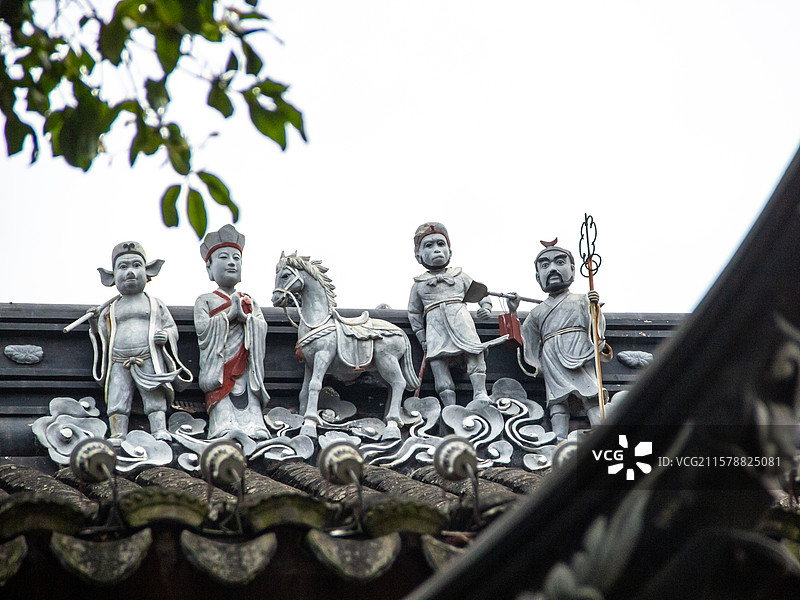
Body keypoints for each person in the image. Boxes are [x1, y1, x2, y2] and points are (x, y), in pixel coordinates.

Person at [90, 242, 192, 444]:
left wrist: (165, 335)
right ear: (111, 277)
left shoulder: (154, 304)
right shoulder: (110, 308)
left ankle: (159, 429)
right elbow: (100, 334)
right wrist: (94, 320)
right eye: (123, 267)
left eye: (136, 265)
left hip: (148, 356)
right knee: (117, 397)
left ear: (148, 272)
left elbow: (171, 328)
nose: (130, 272)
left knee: (154, 397)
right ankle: (118, 433)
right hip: (119, 359)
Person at [507, 240, 607, 441]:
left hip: (577, 351)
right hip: (551, 357)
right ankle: (558, 438)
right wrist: (513, 310)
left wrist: (593, 308)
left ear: (572, 270)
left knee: (590, 394)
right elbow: (525, 338)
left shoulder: (581, 299)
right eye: (544, 266)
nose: (552, 268)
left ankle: (602, 431)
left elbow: (595, 325)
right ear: (538, 277)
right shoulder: (537, 312)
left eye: (559, 262)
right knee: (556, 401)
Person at [408, 222, 506, 408]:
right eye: (429, 245)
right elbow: (414, 314)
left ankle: (480, 392)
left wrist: (486, 307)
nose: (437, 250)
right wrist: (422, 338)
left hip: (461, 321)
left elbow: (482, 293)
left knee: (474, 353)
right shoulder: (419, 285)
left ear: (450, 252)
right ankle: (449, 404)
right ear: (418, 255)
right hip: (435, 330)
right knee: (437, 363)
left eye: (440, 244)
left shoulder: (460, 276)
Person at [194, 225, 271, 440]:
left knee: (247, 390)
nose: (231, 262)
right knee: (224, 392)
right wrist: (229, 315)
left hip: (245, 361)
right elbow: (202, 329)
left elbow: (261, 326)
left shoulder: (250, 300)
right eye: (224, 257)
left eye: (236, 258)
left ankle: (254, 424)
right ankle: (223, 425)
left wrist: (246, 319)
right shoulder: (205, 300)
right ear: (209, 269)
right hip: (220, 361)